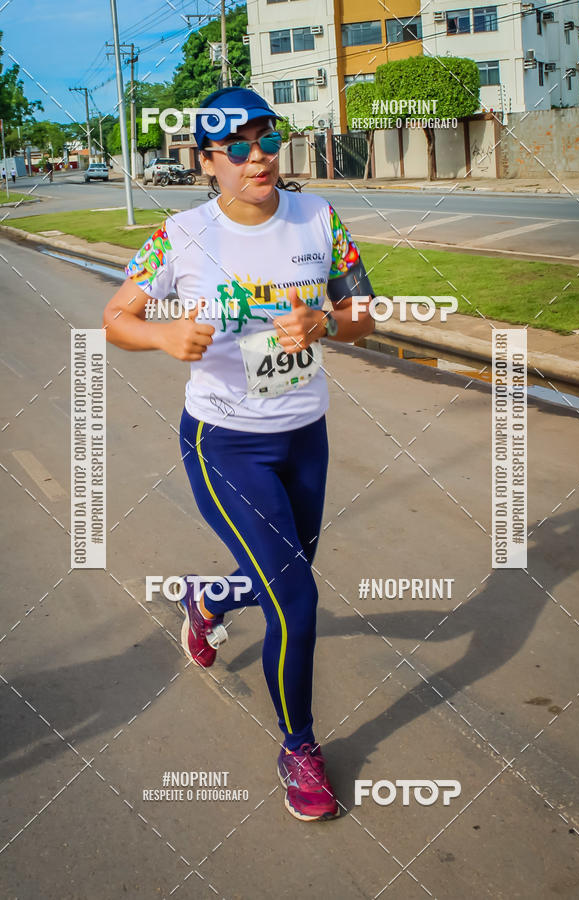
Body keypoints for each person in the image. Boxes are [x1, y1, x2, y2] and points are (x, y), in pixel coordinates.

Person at [103, 87, 375, 822]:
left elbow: (363, 313)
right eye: (239, 148)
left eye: (267, 140)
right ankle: (300, 747)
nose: (259, 157)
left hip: (305, 436)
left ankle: (209, 597)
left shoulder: (318, 217)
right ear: (208, 162)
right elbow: (117, 317)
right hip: (223, 442)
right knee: (296, 595)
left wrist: (325, 321)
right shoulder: (178, 235)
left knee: (285, 574)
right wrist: (163, 335)